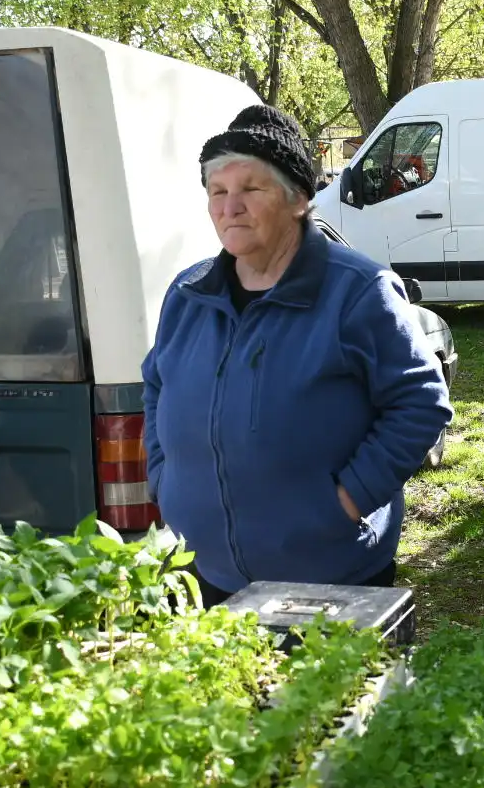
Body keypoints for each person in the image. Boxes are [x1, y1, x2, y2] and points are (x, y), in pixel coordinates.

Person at [143, 104, 453, 605]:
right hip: (205, 572)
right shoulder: (188, 292)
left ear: (298, 201)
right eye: (218, 192)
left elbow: (419, 403)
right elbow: (156, 385)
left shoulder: (358, 291)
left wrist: (346, 503)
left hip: (327, 574)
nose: (230, 207)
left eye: (251, 189)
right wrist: (165, 479)